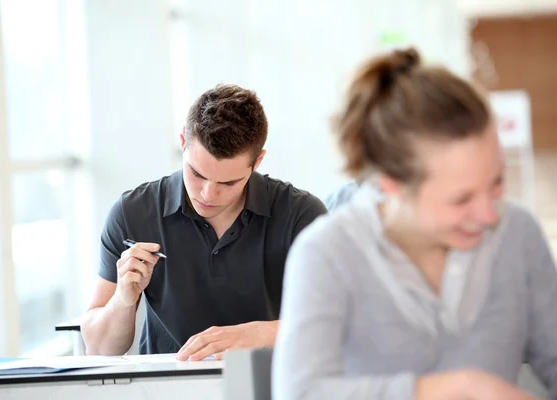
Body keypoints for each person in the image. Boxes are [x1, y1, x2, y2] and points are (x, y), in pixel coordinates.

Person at [272, 47, 556, 399]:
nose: (489, 215)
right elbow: (301, 393)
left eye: (496, 183)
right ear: (391, 184)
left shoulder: (518, 234)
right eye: (461, 199)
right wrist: (455, 387)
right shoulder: (327, 252)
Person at [81, 84, 327, 361]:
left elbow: (339, 326)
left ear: (257, 161)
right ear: (183, 140)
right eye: (196, 174)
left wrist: (259, 335)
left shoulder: (301, 215)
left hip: (271, 384)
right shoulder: (133, 212)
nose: (208, 194)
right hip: (169, 389)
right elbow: (99, 350)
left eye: (228, 182)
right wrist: (122, 302)